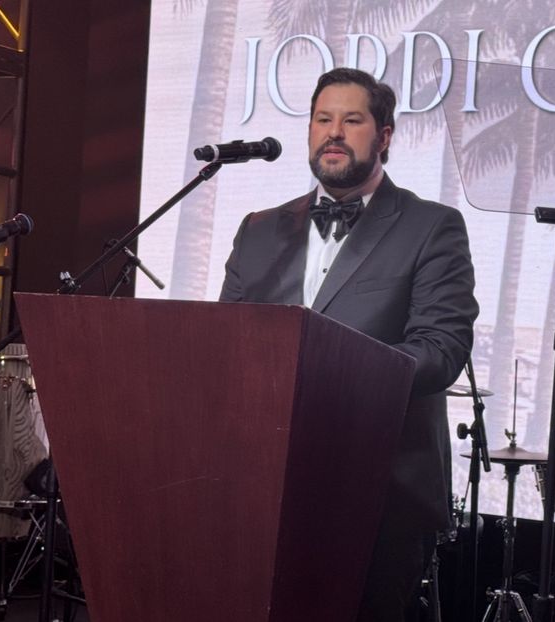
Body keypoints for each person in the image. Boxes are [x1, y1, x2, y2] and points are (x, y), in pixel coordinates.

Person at [220, 67, 478, 621]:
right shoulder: (259, 229)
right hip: (264, 486)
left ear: (384, 135)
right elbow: (228, 344)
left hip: (382, 495)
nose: (333, 132)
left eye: (352, 120)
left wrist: (336, 372)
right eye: (322, 119)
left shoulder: (432, 227)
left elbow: (441, 349)